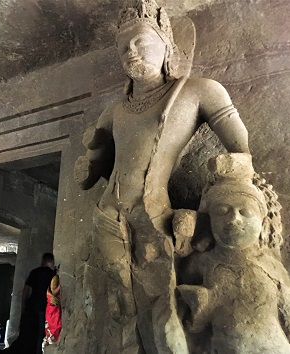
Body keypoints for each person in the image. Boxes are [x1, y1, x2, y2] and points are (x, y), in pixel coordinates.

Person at [74, 0, 250, 352]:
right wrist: (88, 163)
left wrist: (205, 214)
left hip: (152, 214)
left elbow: (241, 155)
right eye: (123, 46)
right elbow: (89, 176)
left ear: (167, 45)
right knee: (116, 305)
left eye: (141, 41)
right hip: (107, 216)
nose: (131, 51)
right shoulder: (113, 111)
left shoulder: (199, 91)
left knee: (161, 308)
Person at [177, 153, 290, 353]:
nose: (234, 220)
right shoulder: (202, 263)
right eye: (222, 211)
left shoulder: (271, 266)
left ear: (262, 220)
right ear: (209, 220)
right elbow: (192, 325)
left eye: (245, 212)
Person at [7, 253, 56, 354]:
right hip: (45, 308)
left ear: (43, 260)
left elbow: (26, 290)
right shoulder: (53, 275)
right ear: (51, 262)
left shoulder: (35, 272)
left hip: (32, 305)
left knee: (27, 332)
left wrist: (23, 304)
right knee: (41, 334)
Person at [42, 270, 62, 349]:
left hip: (52, 307)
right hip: (52, 307)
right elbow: (53, 292)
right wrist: (60, 287)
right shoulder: (55, 278)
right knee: (55, 326)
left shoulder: (55, 278)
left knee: (53, 327)